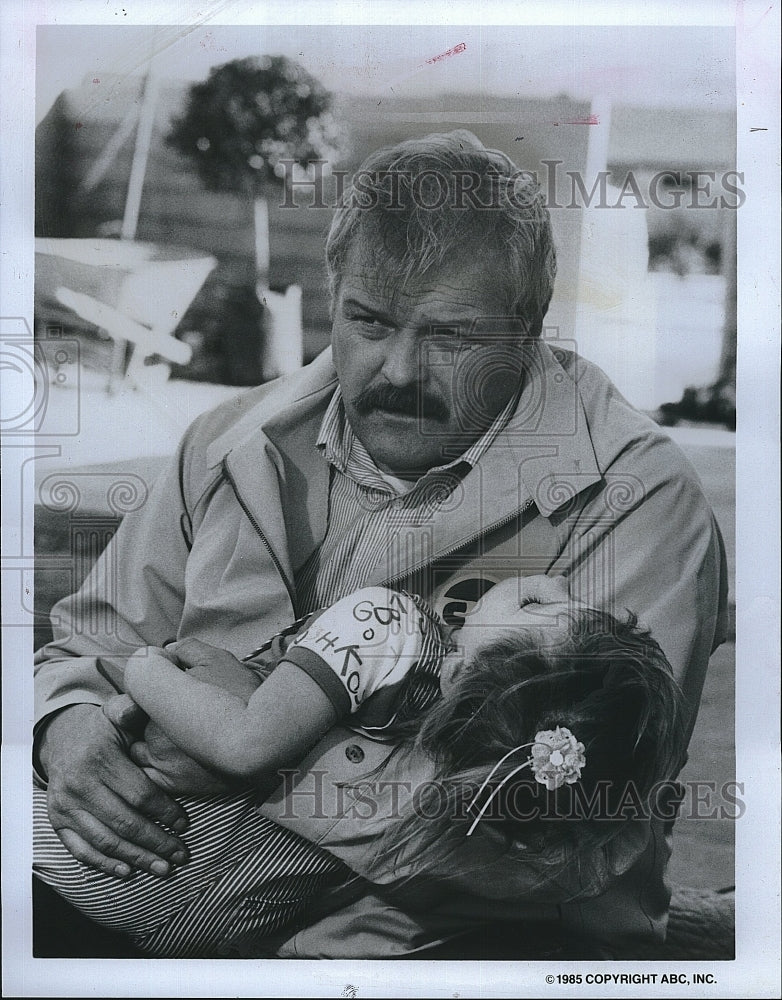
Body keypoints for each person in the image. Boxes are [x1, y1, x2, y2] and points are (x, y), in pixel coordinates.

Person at [33, 129, 728, 958]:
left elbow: (577, 804)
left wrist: (259, 755)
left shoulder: (637, 498)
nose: (398, 370)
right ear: (333, 294)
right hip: (112, 891)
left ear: (530, 326)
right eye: (368, 322)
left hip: (428, 945)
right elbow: (90, 640)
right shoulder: (230, 438)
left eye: (451, 338)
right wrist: (65, 727)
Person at [33, 577, 684, 958]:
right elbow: (593, 864)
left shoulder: (390, 628)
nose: (553, 580)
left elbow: (242, 747)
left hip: (118, 920)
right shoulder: (491, 813)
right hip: (69, 870)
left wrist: (145, 666)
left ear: (465, 673)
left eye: (541, 605)